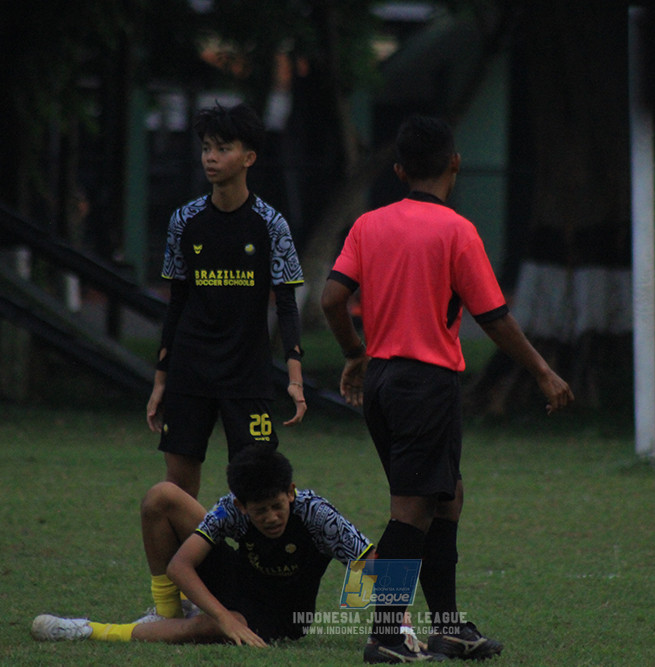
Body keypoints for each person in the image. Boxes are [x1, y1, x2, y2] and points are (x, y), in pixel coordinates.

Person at [321, 114, 575, 663]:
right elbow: (495, 317)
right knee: (410, 510)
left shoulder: (369, 224)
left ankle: (449, 628)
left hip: (386, 382)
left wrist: (353, 353)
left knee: (447, 498)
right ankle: (386, 636)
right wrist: (541, 370)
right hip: (425, 384)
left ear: (398, 170)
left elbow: (331, 299)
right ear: (455, 164)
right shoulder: (457, 230)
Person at [31, 444, 374, 646]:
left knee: (207, 626)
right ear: (242, 506)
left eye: (277, 506)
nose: (271, 517)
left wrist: (396, 624)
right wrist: (224, 615)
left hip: (280, 619)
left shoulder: (316, 514)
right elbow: (179, 565)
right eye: (260, 510)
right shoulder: (230, 509)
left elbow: (371, 560)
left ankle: (89, 630)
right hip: (237, 583)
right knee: (161, 496)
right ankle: (167, 612)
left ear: (290, 492)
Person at [146, 102, 307, 499]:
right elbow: (177, 301)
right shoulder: (184, 220)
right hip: (190, 368)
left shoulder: (271, 224)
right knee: (177, 489)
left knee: (259, 485)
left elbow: (286, 304)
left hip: (246, 370)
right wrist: (161, 379)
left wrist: (295, 380)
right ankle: (184, 563)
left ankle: (250, 562)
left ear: (249, 157)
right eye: (205, 148)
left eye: (222, 149)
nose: (211, 158)